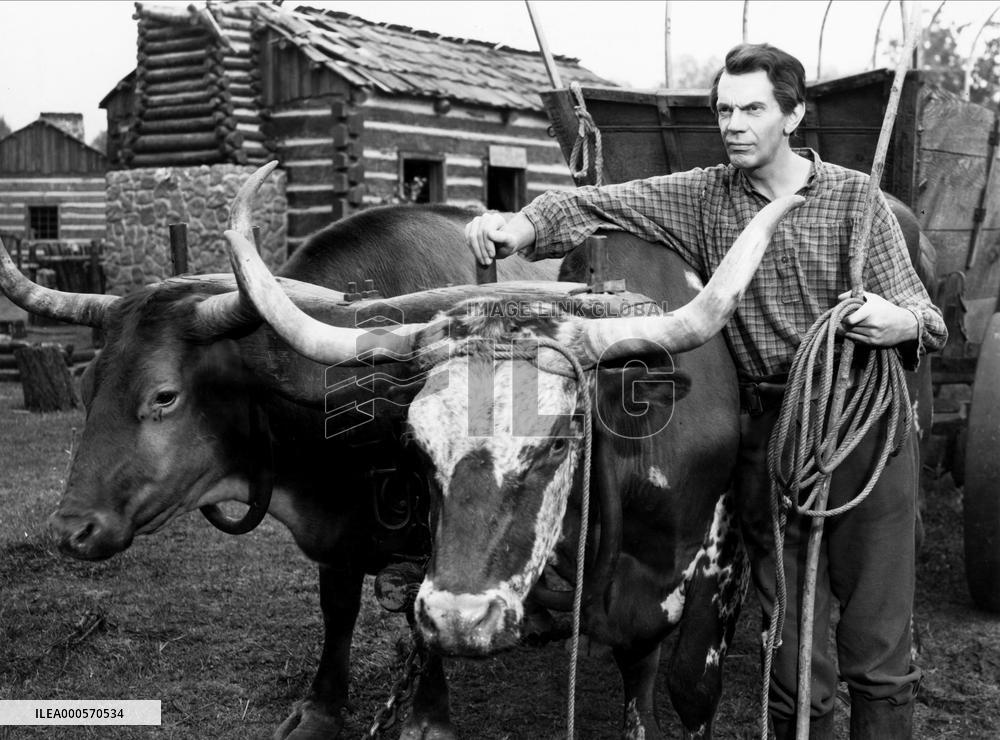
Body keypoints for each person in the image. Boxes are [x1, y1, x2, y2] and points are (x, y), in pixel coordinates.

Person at [465, 43, 946, 739]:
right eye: (724, 108)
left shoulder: (855, 198)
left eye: (753, 108)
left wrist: (899, 318)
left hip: (865, 432)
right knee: (789, 648)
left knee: (875, 647)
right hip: (775, 438)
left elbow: (925, 318)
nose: (735, 123)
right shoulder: (702, 196)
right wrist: (519, 226)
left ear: (794, 115)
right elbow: (592, 202)